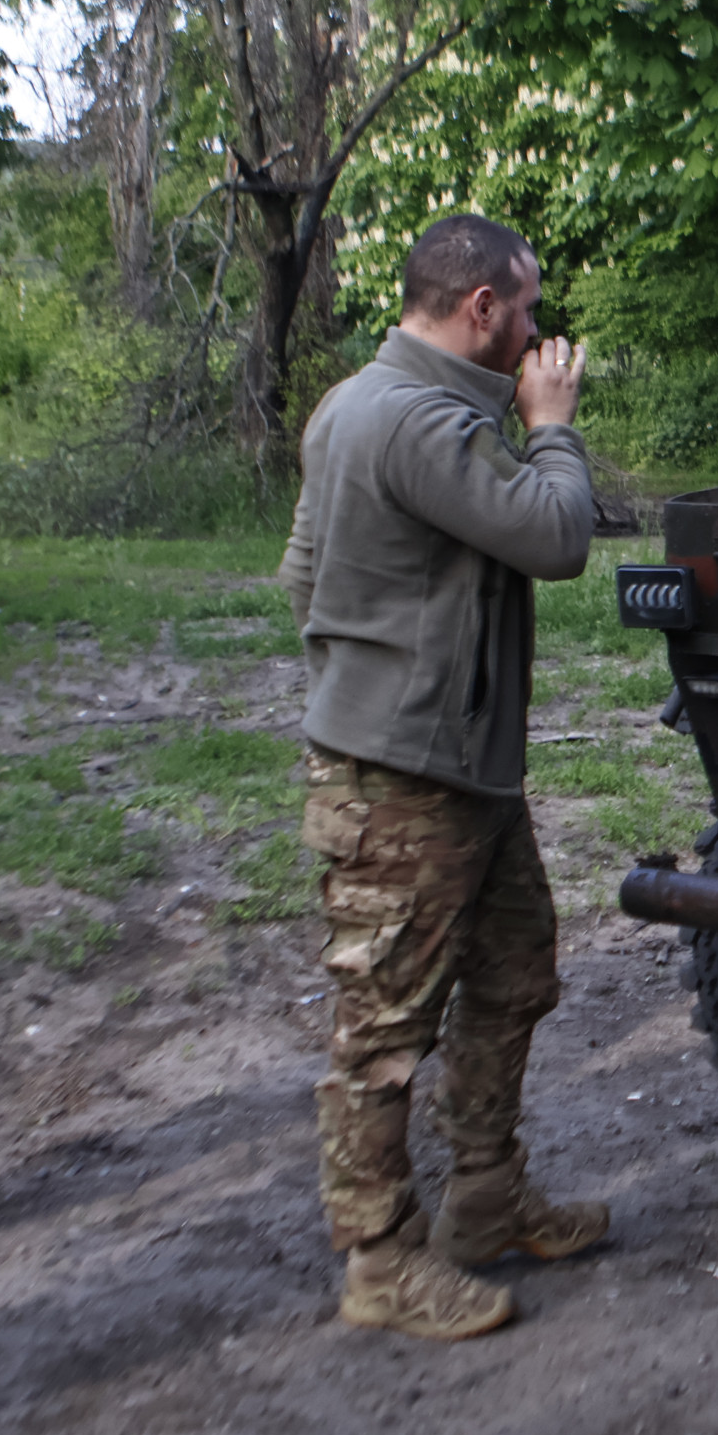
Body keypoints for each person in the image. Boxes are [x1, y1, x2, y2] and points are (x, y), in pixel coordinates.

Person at [277, 213, 608, 1341]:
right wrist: (552, 426)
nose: (535, 329)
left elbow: (301, 573)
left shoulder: (363, 402)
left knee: (514, 971)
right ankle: (378, 1258)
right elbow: (558, 537)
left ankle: (485, 1194)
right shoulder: (416, 419)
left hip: (456, 766)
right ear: (480, 310)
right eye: (525, 307)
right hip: (402, 782)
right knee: (382, 1029)